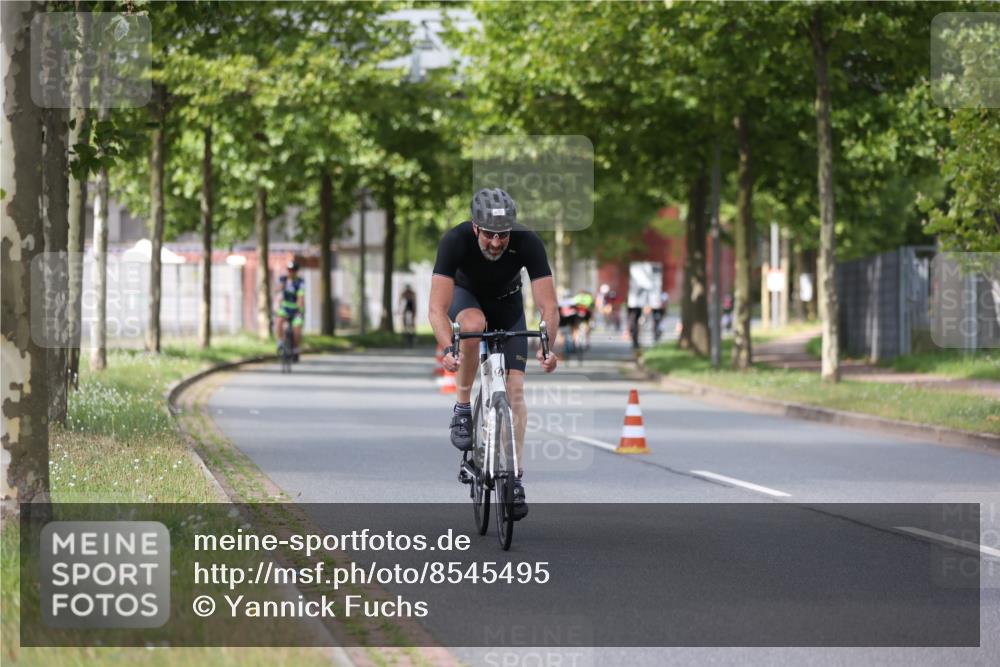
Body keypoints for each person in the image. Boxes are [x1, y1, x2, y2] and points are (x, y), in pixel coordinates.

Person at [428, 187, 559, 520]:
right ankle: (461, 406)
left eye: (502, 235)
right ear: (475, 228)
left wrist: (549, 347)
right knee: (472, 323)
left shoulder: (528, 241)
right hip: (466, 297)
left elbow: (548, 305)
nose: (497, 243)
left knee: (515, 392)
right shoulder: (454, 240)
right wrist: (447, 347)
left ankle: (514, 477)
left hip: (508, 306)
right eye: (489, 234)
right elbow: (436, 308)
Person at [275, 260, 305, 361]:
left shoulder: (300, 282)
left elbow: (301, 297)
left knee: (297, 329)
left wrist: (300, 310)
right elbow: (277, 292)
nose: (291, 272)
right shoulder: (282, 279)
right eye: (289, 270)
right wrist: (281, 287)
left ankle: (296, 348)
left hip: (296, 308)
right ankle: (280, 342)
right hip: (284, 307)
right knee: (279, 321)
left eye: (293, 270)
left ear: (296, 271)